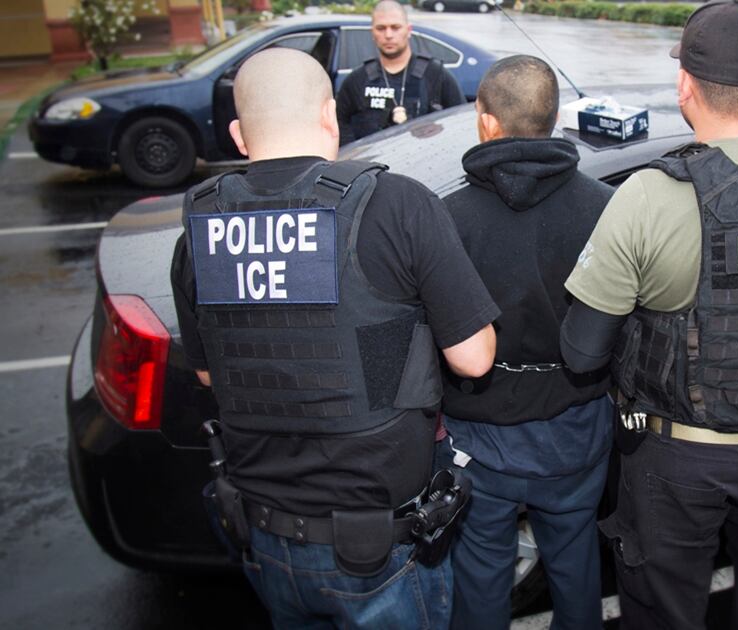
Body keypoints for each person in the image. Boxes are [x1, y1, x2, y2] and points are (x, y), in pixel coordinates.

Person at [170, 47, 499, 629]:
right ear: (331, 116)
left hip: (264, 532)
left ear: (239, 136)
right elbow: (474, 359)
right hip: (376, 546)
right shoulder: (395, 205)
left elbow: (207, 373)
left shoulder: (201, 231)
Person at [559, 2, 738, 629]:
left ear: (684, 86)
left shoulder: (653, 194)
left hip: (681, 462)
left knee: (665, 612)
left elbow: (582, 351)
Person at [437, 55, 615, 630]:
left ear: (486, 121)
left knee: (480, 578)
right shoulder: (606, 208)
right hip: (576, 427)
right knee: (576, 565)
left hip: (479, 434)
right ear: (554, 118)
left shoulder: (448, 218)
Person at [337, 0, 465, 144]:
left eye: (395, 27)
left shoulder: (435, 75)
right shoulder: (357, 80)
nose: (388, 35)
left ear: (408, 30)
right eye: (381, 28)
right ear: (372, 32)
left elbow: (459, 122)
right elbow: (339, 124)